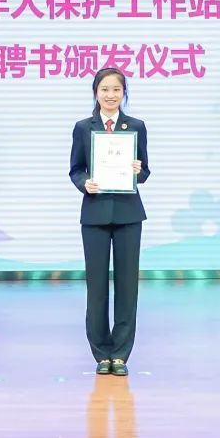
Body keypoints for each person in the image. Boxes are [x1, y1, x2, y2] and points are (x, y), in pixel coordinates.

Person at [69, 67, 150, 377]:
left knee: (128, 286)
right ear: (96, 93)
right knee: (97, 286)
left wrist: (138, 170)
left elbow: (145, 171)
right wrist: (84, 183)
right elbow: (75, 169)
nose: (111, 95)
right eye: (105, 89)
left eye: (116, 89)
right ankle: (102, 353)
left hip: (129, 214)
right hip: (95, 214)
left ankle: (121, 353)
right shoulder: (83, 127)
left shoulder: (136, 126)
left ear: (124, 93)